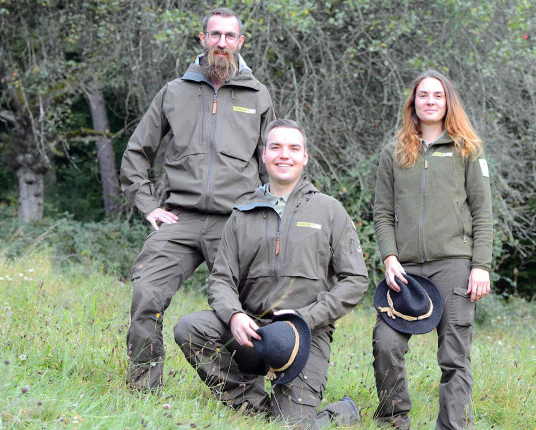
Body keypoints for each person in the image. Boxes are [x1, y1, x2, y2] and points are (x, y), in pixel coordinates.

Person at [173, 119, 369, 428]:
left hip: (306, 335)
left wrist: (308, 316)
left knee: (292, 427)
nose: (284, 155)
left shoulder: (330, 211)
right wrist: (235, 315)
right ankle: (251, 402)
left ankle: (342, 413)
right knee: (190, 327)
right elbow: (221, 280)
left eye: (293, 148)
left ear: (304, 156)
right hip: (252, 331)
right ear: (264, 155)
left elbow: (356, 281)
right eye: (276, 147)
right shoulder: (242, 214)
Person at [120, 7, 275, 391]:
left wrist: (273, 216)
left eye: (230, 36)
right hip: (181, 219)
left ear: (240, 42)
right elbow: (137, 152)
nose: (222, 42)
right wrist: (149, 204)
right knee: (146, 295)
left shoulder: (258, 96)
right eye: (215, 35)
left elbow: (274, 162)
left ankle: (248, 392)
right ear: (203, 39)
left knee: (251, 310)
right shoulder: (174, 92)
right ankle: (143, 387)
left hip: (237, 221)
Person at [372, 70, 493, 429]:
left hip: (455, 265)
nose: (429, 101)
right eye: (423, 95)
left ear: (447, 102)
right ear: (413, 102)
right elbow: (381, 213)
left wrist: (481, 265)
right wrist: (390, 257)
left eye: (437, 96)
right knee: (386, 344)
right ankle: (394, 421)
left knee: (455, 357)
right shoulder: (392, 153)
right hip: (406, 272)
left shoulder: (467, 149)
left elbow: (482, 212)